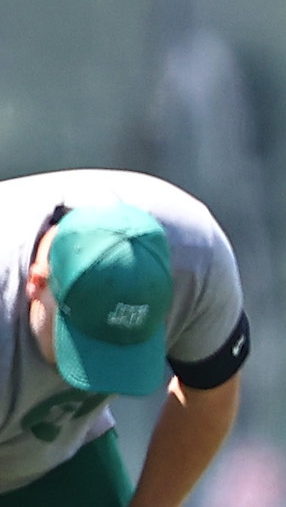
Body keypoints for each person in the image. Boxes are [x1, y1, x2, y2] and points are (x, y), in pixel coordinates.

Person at [0, 168, 251, 507]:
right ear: (38, 282)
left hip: (60, 455)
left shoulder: (196, 263)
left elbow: (207, 397)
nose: (92, 380)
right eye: (81, 344)